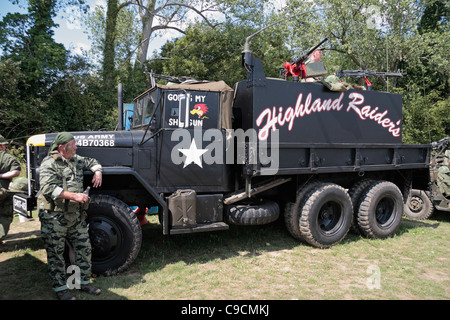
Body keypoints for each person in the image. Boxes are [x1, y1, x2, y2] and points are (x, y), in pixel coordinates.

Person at [38, 132, 103, 300]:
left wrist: (97, 171)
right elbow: (48, 188)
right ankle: (61, 289)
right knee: (56, 254)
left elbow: (92, 162)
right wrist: (75, 196)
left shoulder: (76, 159)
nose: (76, 147)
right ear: (61, 148)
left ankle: (83, 283)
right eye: (72, 145)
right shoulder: (49, 163)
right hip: (54, 217)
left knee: (84, 249)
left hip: (75, 217)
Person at [0, 134, 21, 244]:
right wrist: (2, 176)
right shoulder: (7, 158)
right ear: (2, 146)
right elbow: (16, 172)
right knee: (5, 216)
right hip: (2, 192)